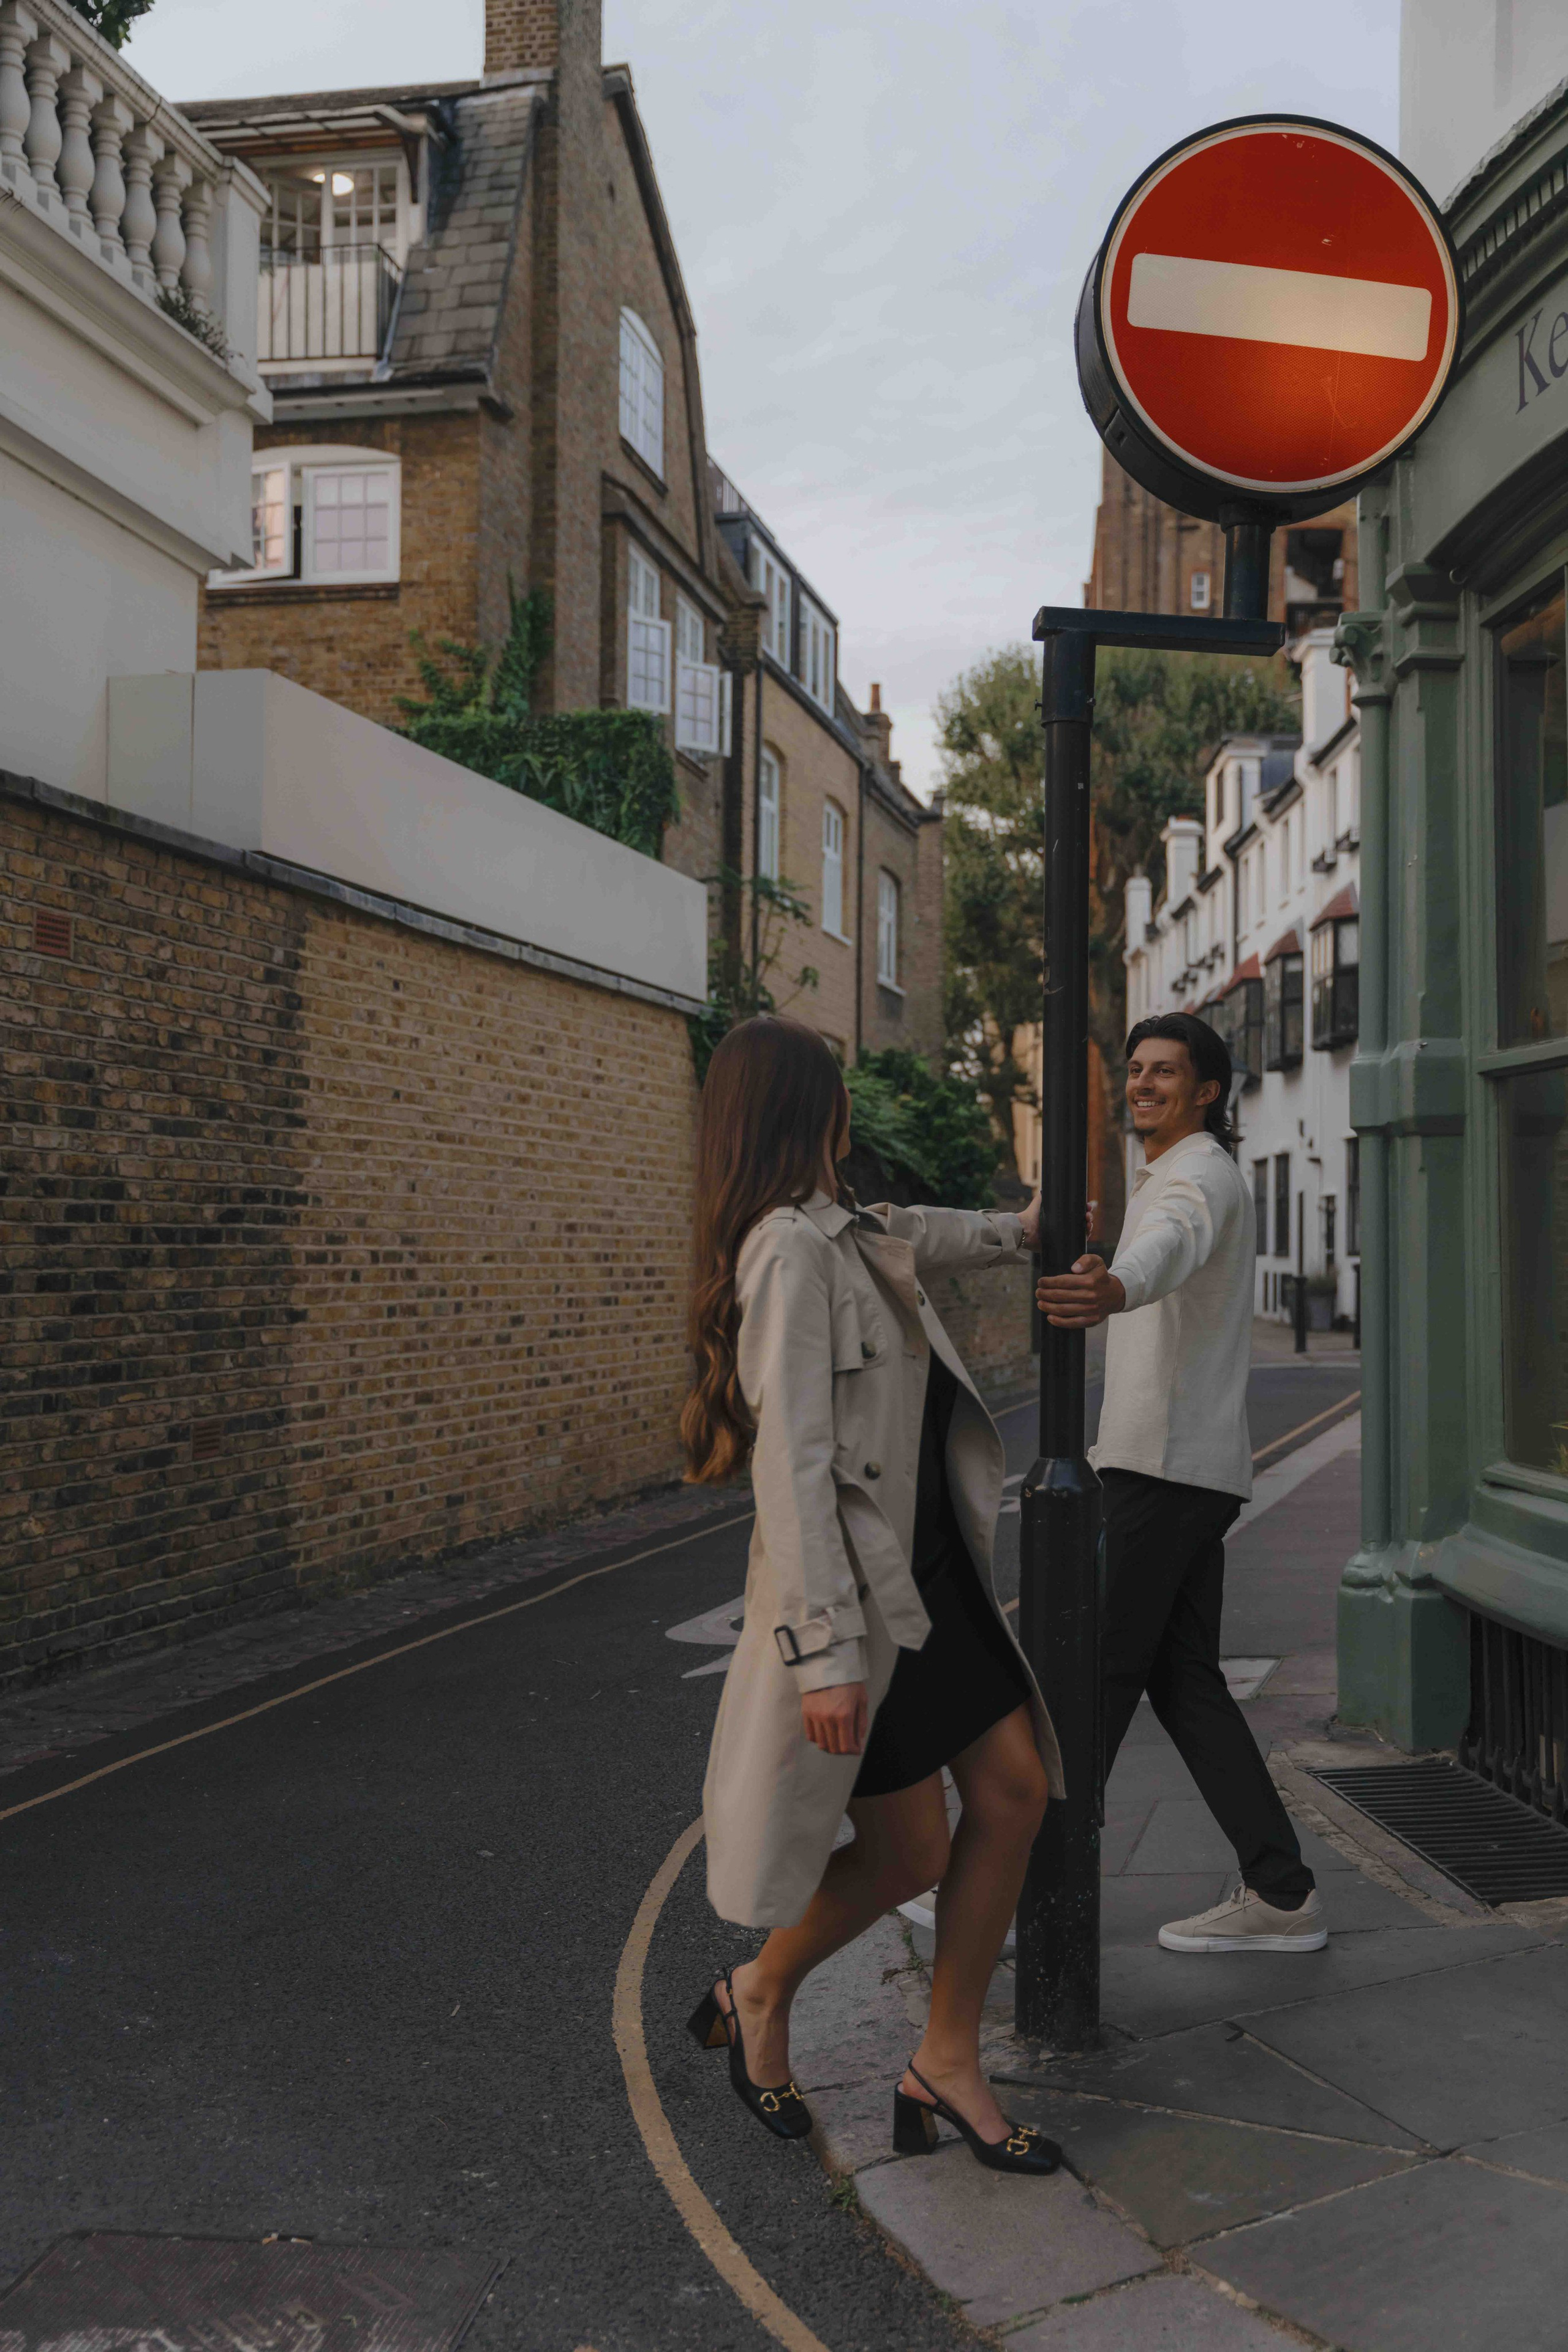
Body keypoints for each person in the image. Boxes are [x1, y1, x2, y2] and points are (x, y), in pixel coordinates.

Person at [683, 1016, 1065, 2169]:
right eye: (837, 1090)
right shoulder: (785, 1254)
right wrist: (823, 1656)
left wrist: (1022, 1229)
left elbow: (919, 1233)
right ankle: (761, 1991)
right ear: (812, 1109)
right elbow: (791, 1465)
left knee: (1013, 1794)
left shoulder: (844, 1231)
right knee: (913, 1856)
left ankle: (943, 2060)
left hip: (935, 1583)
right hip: (871, 1607)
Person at [1036, 1012, 1325, 1954]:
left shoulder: (1198, 1175)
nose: (1143, 1083)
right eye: (1136, 1068)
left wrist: (1114, 1287)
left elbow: (1170, 1242)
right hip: (1184, 1469)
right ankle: (1281, 1892)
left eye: (1165, 1072)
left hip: (1161, 1469)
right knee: (1182, 1681)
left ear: (1205, 1092)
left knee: (1092, 1677)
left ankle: (1020, 1886)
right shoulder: (1173, 1172)